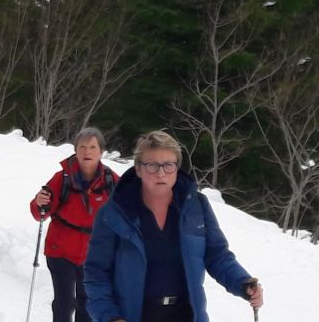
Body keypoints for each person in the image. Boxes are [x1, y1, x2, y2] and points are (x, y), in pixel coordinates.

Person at [83, 131, 263, 322]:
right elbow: (96, 273)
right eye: (152, 165)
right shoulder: (114, 213)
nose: (161, 173)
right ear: (138, 169)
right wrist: (109, 317)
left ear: (177, 168)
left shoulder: (196, 206)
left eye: (168, 165)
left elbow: (217, 254)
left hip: (186, 315)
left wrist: (243, 282)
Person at [29, 128, 118, 322]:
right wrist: (39, 203)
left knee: (87, 302)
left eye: (93, 147)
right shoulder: (62, 178)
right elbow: (40, 213)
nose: (87, 152)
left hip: (94, 254)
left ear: (101, 151)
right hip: (60, 250)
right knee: (64, 302)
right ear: (76, 151)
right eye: (82, 147)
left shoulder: (112, 181)